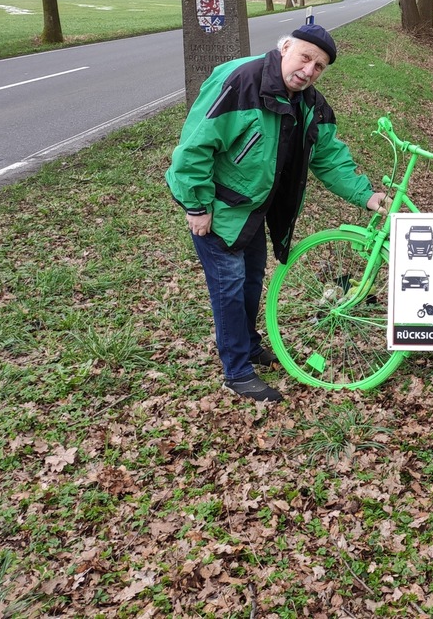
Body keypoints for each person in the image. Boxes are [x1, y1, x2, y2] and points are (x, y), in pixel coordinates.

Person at [165, 25, 387, 403]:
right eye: (305, 57)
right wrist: (196, 206)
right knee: (229, 290)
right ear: (285, 47)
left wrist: (366, 196)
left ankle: (249, 345)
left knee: (251, 282)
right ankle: (237, 372)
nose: (309, 70)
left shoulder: (310, 105)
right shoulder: (241, 82)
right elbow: (196, 145)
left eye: (319, 66)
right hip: (219, 211)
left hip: (254, 212)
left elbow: (330, 157)